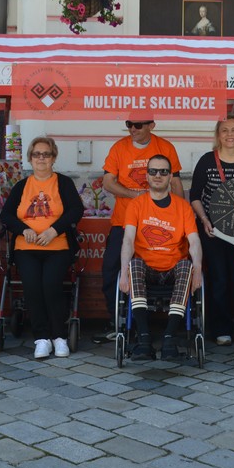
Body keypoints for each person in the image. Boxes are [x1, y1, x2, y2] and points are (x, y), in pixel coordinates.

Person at [1, 137, 84, 359]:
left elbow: (76, 210)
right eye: (37, 154)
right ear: (30, 158)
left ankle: (59, 337)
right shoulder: (22, 186)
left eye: (46, 154)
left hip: (56, 246)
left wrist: (53, 230)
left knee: (50, 284)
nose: (41, 158)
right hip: (26, 248)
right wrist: (22, 229)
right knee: (32, 285)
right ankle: (41, 338)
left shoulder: (63, 183)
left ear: (53, 158)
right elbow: (6, 214)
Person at [118, 154, 202, 360]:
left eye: (163, 171)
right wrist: (123, 273)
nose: (158, 175)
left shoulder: (182, 206)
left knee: (186, 266)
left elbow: (195, 241)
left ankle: (169, 338)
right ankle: (144, 339)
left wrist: (198, 271)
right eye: (153, 171)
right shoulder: (136, 205)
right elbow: (128, 240)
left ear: (170, 176)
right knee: (134, 263)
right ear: (146, 175)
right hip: (145, 269)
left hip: (174, 269)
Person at [190, 115, 234, 346]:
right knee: (219, 279)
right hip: (214, 232)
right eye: (225, 130)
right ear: (218, 135)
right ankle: (220, 328)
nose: (230, 135)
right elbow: (195, 196)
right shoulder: (207, 161)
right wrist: (204, 220)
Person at [101, 120, 184, 322]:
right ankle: (117, 319)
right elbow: (107, 182)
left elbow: (175, 183)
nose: (132, 129)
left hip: (159, 221)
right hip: (124, 219)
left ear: (152, 125)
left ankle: (168, 316)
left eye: (138, 125)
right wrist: (134, 195)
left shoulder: (165, 147)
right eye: (129, 124)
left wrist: (181, 213)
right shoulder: (119, 147)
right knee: (111, 266)